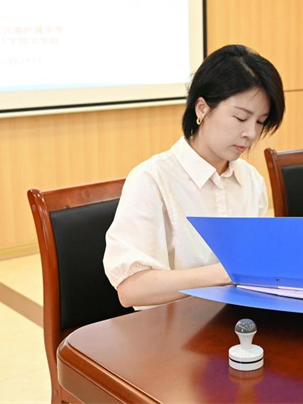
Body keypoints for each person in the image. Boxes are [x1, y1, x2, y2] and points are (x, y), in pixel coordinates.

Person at [104, 45, 285, 308]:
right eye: (240, 118)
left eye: (260, 122)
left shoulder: (251, 180)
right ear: (202, 108)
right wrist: (224, 275)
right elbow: (131, 289)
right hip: (169, 325)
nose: (251, 133)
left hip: (237, 318)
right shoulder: (152, 179)